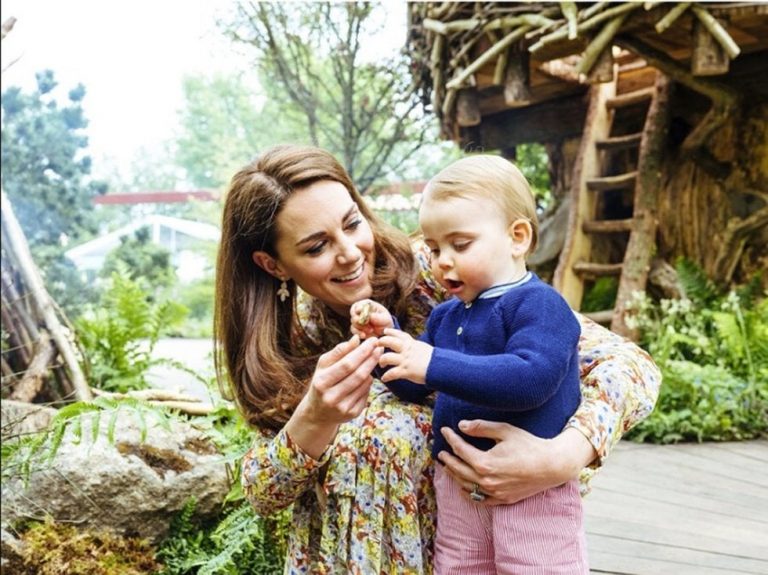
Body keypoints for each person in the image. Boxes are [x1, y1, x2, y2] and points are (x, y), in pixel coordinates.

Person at [214, 144, 661, 574]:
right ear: (273, 265)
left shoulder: (445, 272)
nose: (350, 253)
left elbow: (629, 365)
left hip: (488, 542)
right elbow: (262, 492)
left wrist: (563, 457)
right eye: (316, 247)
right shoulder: (281, 345)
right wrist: (313, 419)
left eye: (352, 224)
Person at [349, 155, 587, 573]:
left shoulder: (539, 305)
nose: (443, 260)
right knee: (460, 567)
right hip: (457, 487)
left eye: (460, 245)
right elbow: (412, 385)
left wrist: (433, 363)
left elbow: (532, 379)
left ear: (517, 238)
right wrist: (385, 342)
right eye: (435, 247)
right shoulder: (446, 315)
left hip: (531, 492)